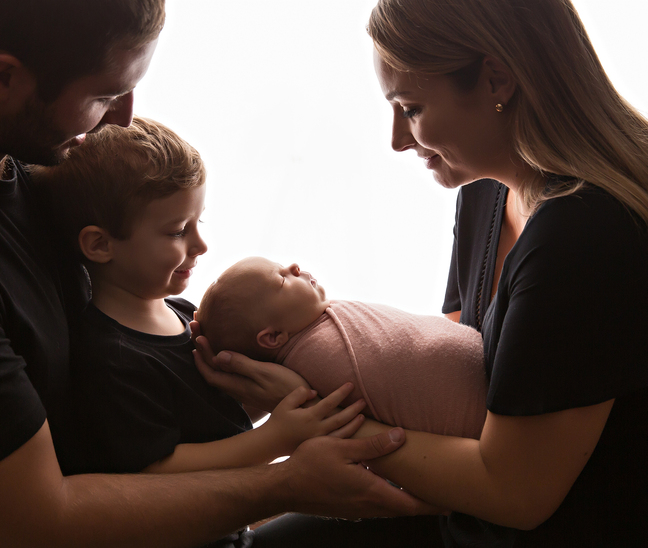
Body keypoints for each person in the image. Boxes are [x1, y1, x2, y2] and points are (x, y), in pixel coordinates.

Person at [0, 1, 434, 546]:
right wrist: (284, 482)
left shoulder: (21, 156)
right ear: (1, 78)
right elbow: (33, 521)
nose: (120, 119)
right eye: (102, 95)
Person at [193, 0, 648, 546]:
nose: (398, 140)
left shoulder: (583, 237)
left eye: (410, 108)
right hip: (462, 508)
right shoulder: (486, 190)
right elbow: (451, 369)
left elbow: (516, 495)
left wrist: (318, 416)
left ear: (496, 80)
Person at [32, 117, 365, 478]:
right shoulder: (111, 359)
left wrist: (271, 402)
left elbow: (212, 423)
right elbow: (156, 468)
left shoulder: (184, 315)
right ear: (100, 245)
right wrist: (277, 439)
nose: (201, 245)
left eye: (198, 223)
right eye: (177, 231)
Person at [197, 256, 486, 439]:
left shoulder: (314, 321)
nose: (295, 266)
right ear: (273, 337)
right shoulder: (310, 371)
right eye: (282, 278)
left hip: (490, 379)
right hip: (478, 424)